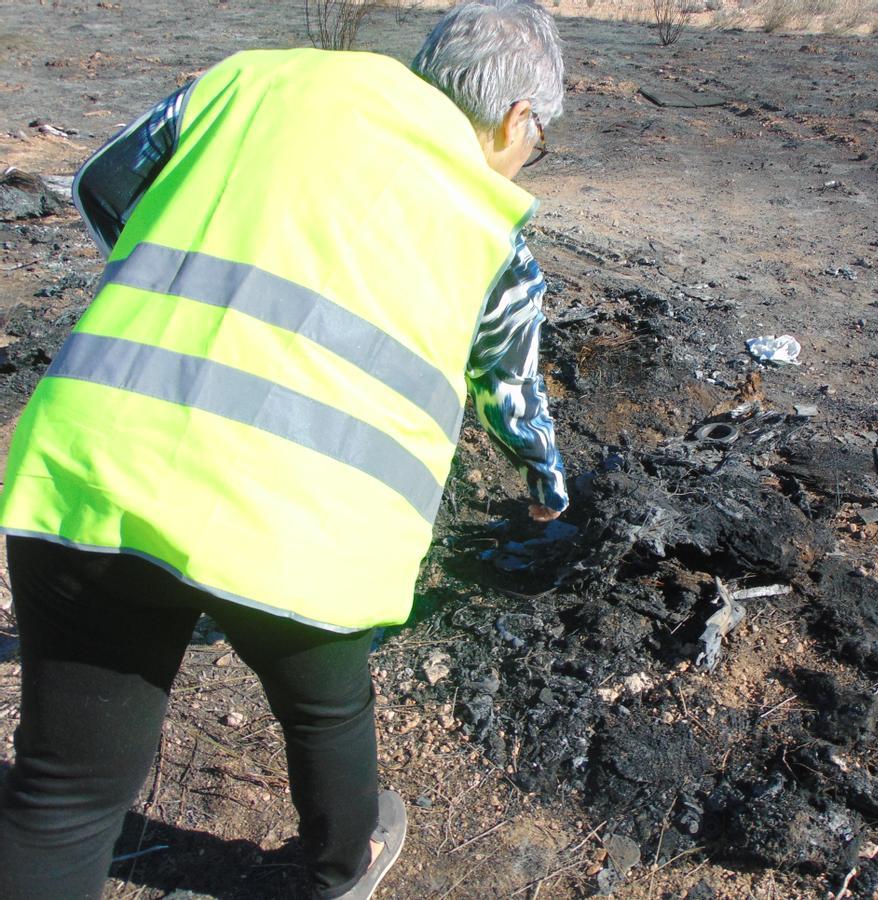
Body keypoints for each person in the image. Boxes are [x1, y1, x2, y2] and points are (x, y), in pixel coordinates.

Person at [0, 1, 567, 897]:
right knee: (326, 702)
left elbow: (100, 184)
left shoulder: (248, 81)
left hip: (95, 462)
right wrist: (548, 482)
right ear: (517, 119)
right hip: (299, 520)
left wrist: (159, 282)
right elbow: (514, 395)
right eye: (541, 140)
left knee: (63, 793)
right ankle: (344, 864)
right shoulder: (497, 236)